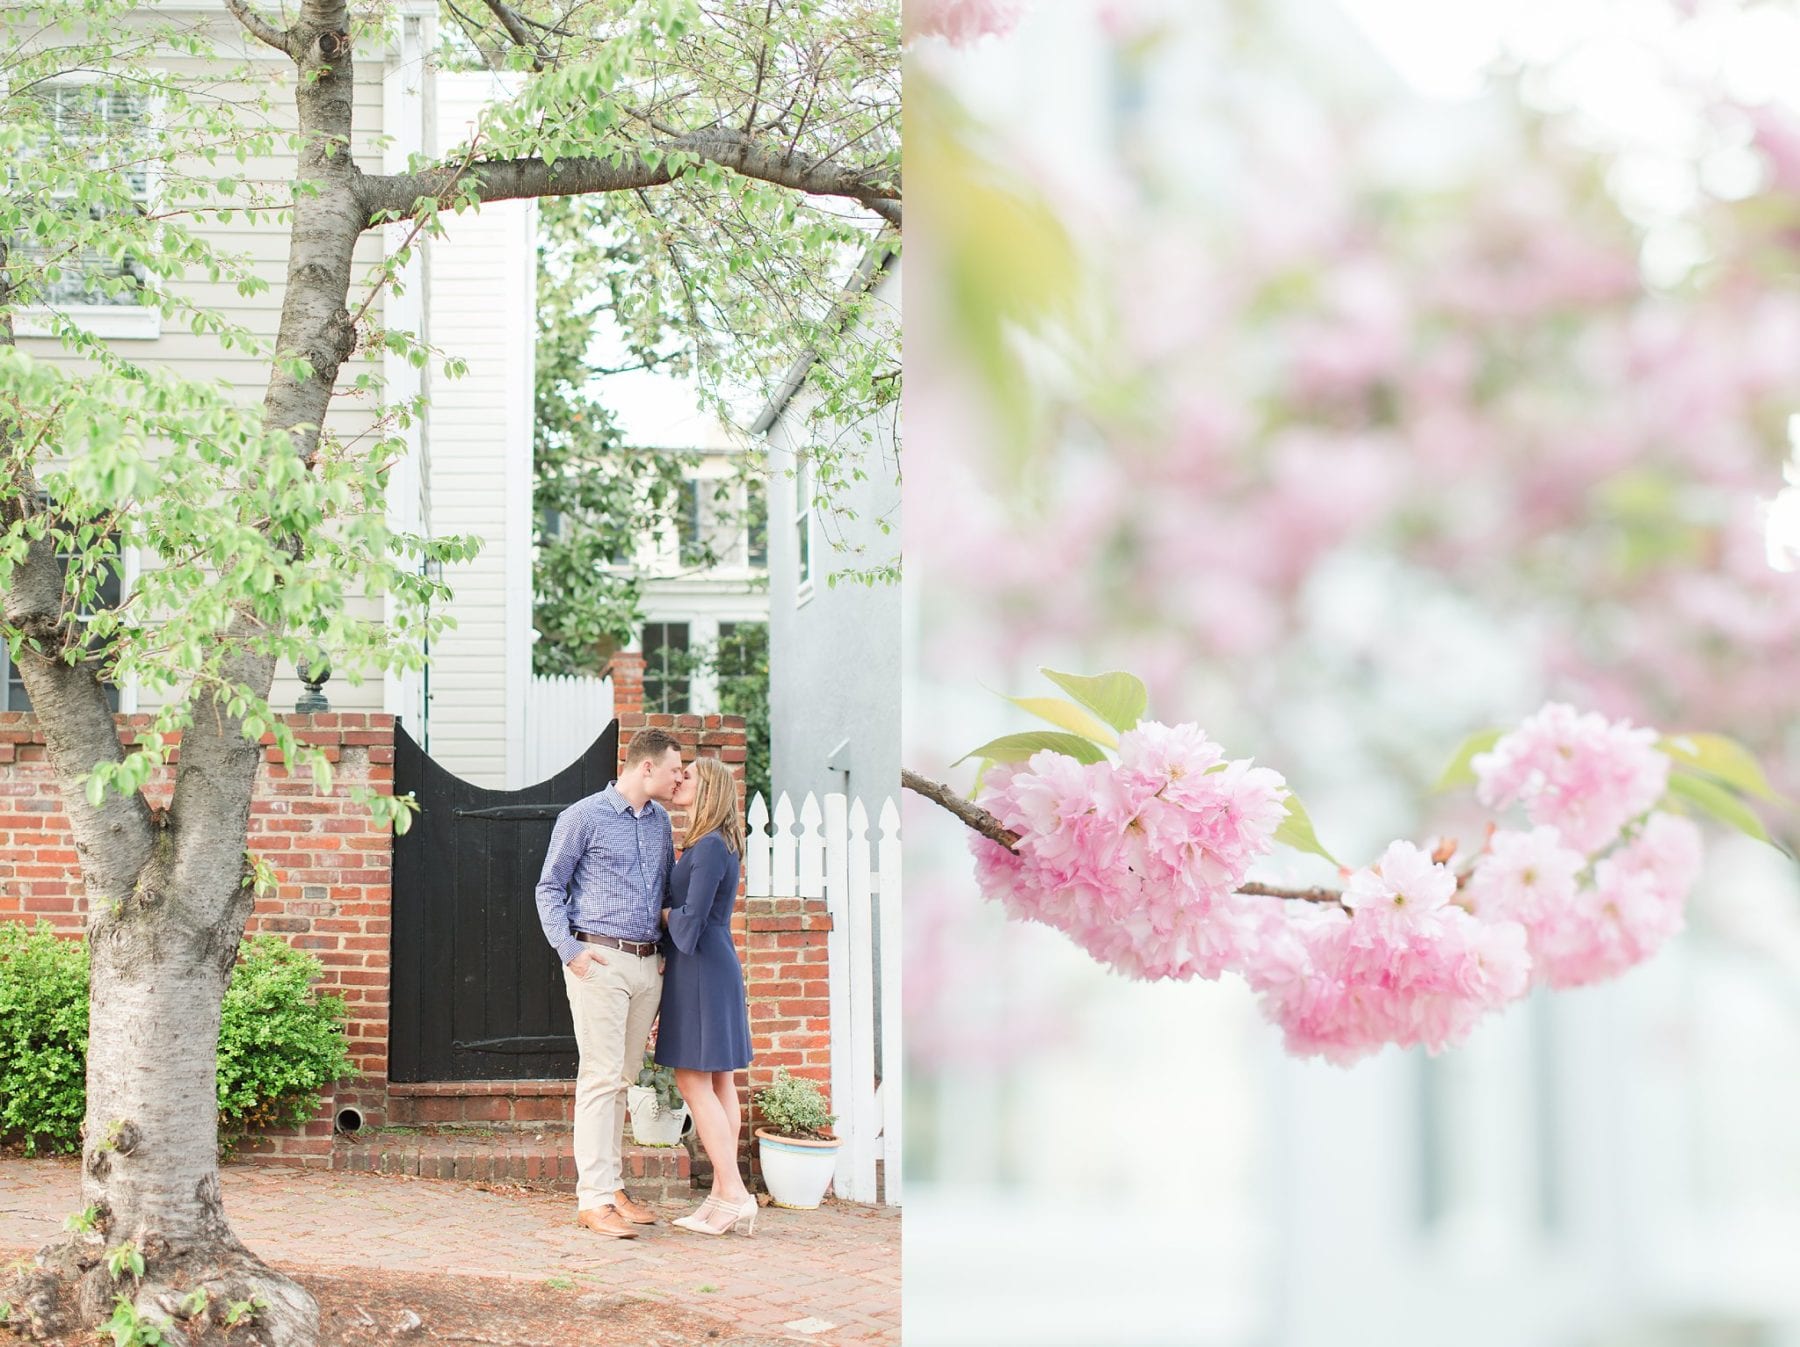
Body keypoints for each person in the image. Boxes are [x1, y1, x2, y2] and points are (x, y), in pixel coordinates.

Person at [535, 727, 686, 1240]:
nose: (678, 777)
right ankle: (592, 1199)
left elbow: (666, 890)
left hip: (646, 965)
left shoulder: (661, 822)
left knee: (622, 1078)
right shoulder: (582, 816)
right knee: (600, 1077)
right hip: (598, 960)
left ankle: (612, 1187)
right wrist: (571, 953)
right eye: (673, 768)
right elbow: (548, 888)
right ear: (647, 767)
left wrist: (662, 955)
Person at [656, 755, 757, 1236]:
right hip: (710, 964)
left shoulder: (712, 846)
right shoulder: (715, 843)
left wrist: (657, 914)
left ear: (709, 789)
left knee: (694, 1079)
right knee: (718, 1081)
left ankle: (734, 1193)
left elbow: (689, 922)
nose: (679, 779)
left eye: (688, 775)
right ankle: (721, 1194)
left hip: (700, 966)